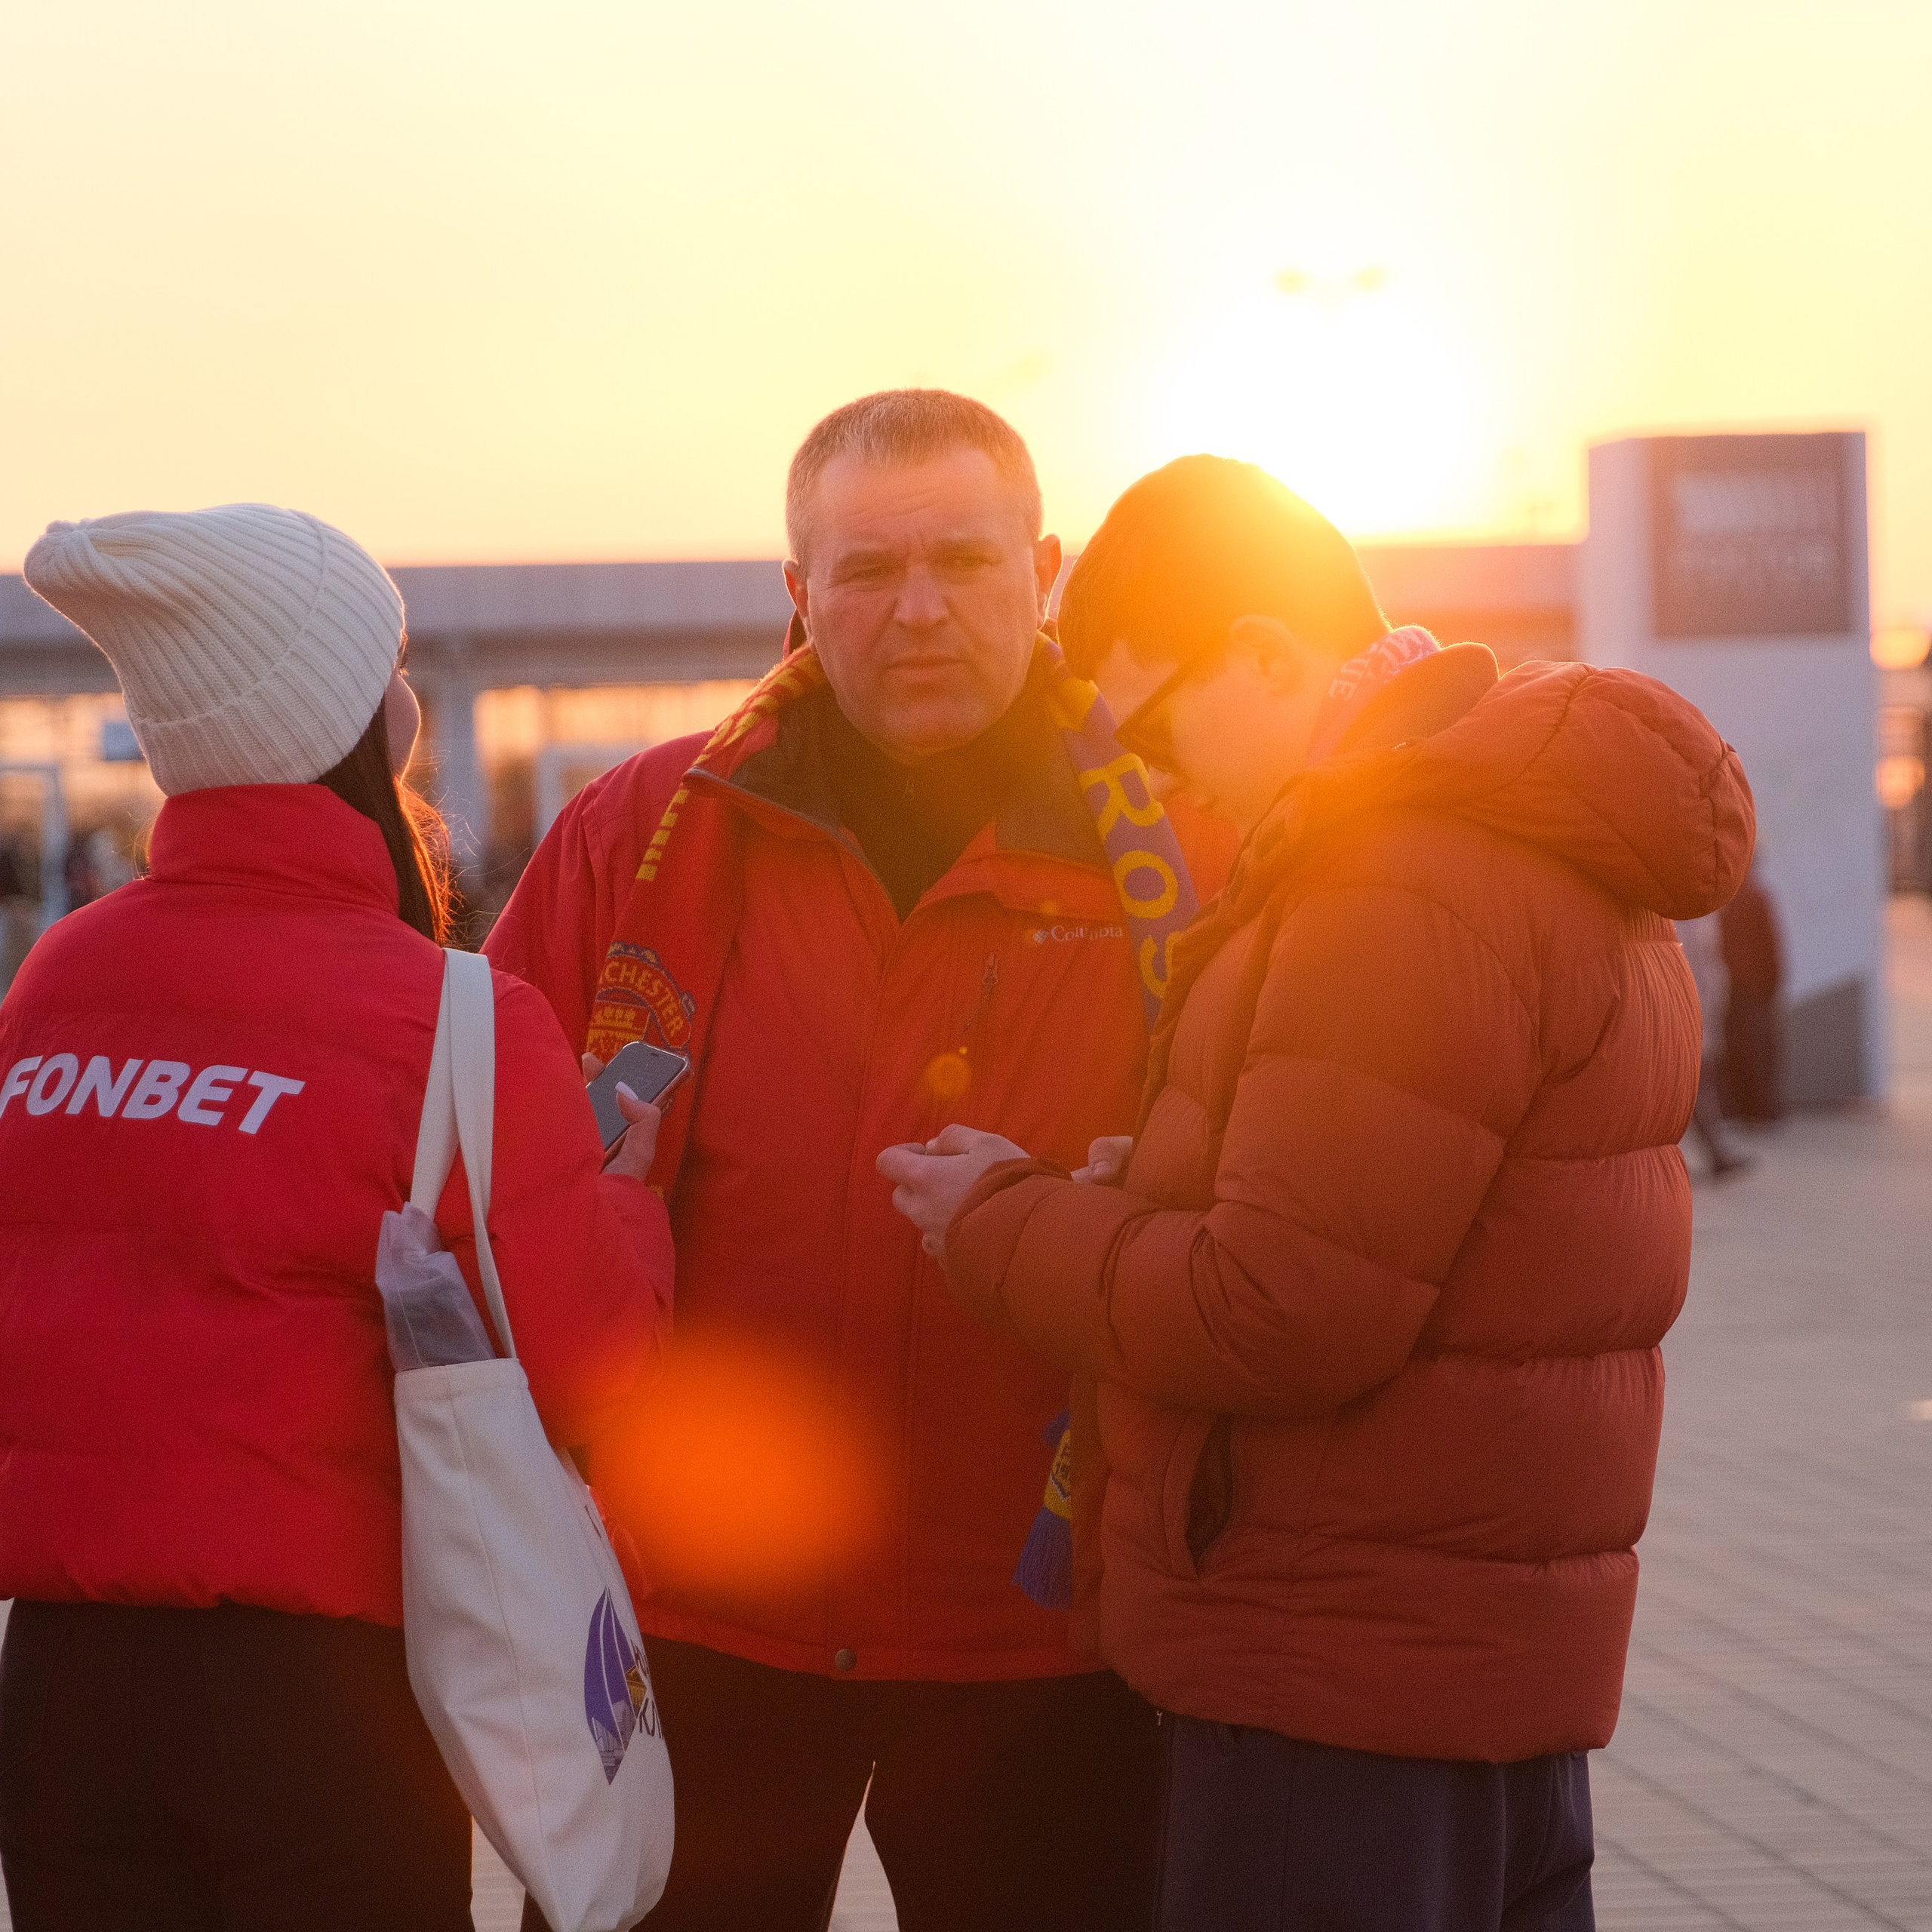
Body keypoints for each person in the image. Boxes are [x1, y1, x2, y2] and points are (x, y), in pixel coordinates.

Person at [883, 456, 1756, 1932]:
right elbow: (1435, 1234)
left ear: (1263, 653)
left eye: (1152, 722)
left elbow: (1276, 1311)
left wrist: (1002, 1217)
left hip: (1334, 1688)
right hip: (1474, 1675)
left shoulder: (1390, 881)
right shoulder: (1531, 842)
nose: (1151, 775)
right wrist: (1163, 1183)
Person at [487, 390, 1231, 1931]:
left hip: (1050, 1624)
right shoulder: (641, 837)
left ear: (1040, 568)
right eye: (868, 569)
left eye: (962, 559)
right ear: (796, 594)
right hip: (706, 1612)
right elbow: (490, 1168)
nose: (918, 609)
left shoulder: (1187, 859)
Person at [0, 505, 675, 1932]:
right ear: (364, 719)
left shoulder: (57, 980)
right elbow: (593, 1362)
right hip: (325, 1699)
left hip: (60, 1688)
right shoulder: (456, 1018)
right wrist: (631, 1199)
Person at [1720, 856, 1784, 1122]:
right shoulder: (1757, 896)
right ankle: (1761, 1108)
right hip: (1756, 985)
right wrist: (1774, 982)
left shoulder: (1727, 901)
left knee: (1738, 1048)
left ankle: (1743, 1107)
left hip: (1732, 985)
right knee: (1760, 1048)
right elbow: (1771, 945)